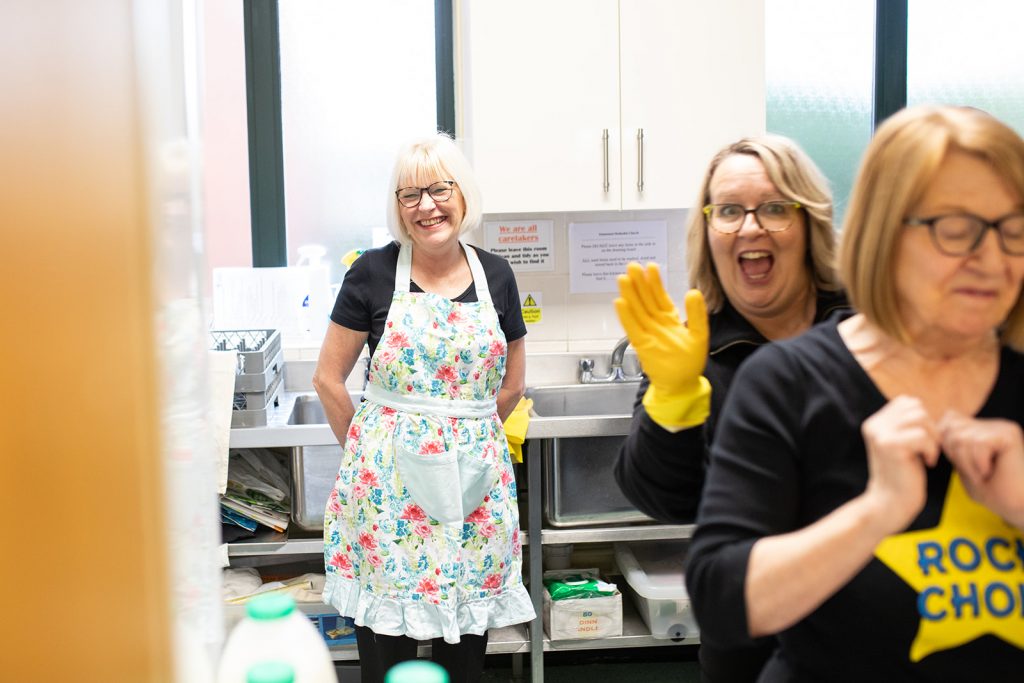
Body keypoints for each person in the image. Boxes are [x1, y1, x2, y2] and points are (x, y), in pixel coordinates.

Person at [686, 105, 1024, 681]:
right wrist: (877, 510)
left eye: (1013, 229)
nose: (991, 259)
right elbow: (723, 602)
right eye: (956, 229)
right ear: (886, 233)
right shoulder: (790, 382)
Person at [613, 135, 846, 681]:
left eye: (774, 208)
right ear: (708, 230)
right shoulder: (693, 348)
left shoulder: (866, 330)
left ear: (810, 222)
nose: (749, 227)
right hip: (751, 638)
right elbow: (661, 497)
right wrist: (673, 400)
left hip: (873, 623)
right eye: (729, 211)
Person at [313, 133, 535, 683]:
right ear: (398, 207)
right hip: (387, 491)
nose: (426, 206)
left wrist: (467, 437)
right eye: (410, 195)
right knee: (387, 645)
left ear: (463, 194)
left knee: (466, 642)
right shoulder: (370, 273)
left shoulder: (497, 276)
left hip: (474, 488)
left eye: (439, 189)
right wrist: (368, 452)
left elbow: (512, 384)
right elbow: (328, 379)